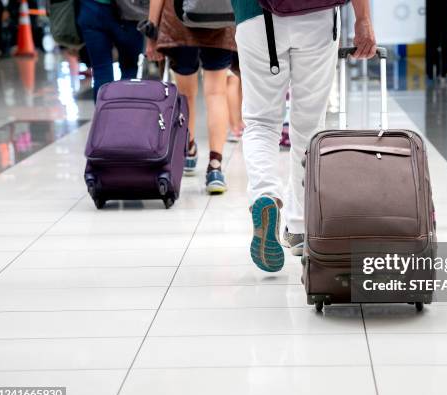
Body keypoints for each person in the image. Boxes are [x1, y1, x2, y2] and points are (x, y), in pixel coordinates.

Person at [232, 0, 377, 272]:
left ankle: (266, 194)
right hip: (318, 15)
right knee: (309, 124)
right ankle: (299, 226)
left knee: (261, 122)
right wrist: (363, 19)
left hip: (255, 16)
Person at [145, 0, 235, 192]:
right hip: (222, 20)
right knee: (217, 93)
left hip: (180, 20)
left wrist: (152, 30)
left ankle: (189, 149)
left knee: (186, 95)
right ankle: (215, 167)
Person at [77, 0, 144, 101]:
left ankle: (104, 115)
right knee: (129, 69)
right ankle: (127, 113)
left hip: (91, 8)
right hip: (128, 12)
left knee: (101, 71)